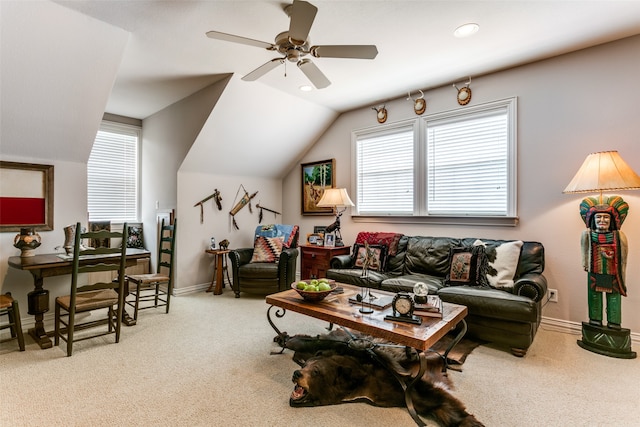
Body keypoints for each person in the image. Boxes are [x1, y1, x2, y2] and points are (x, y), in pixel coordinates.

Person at [580, 196, 629, 330]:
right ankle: (595, 320)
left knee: (614, 297)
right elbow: (584, 250)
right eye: (598, 217)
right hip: (594, 271)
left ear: (612, 219)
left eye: (606, 217)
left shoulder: (619, 236)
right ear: (592, 220)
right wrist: (585, 263)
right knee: (594, 296)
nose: (602, 220)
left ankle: (614, 323)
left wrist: (622, 273)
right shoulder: (587, 235)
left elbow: (623, 257)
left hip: (613, 273)